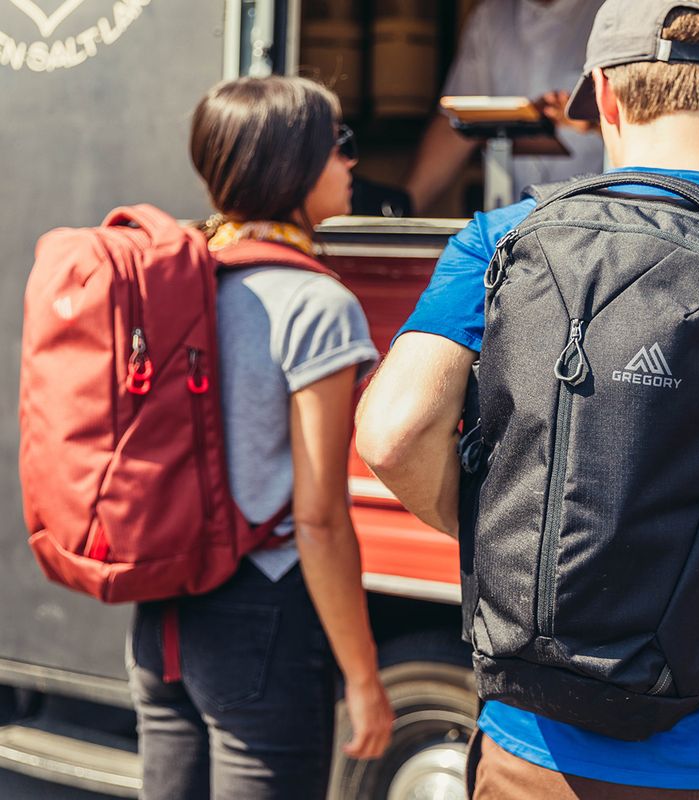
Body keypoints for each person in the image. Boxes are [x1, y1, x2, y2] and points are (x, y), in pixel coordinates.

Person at [357, 0, 699, 797]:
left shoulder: (501, 237)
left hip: (538, 748)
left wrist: (507, 541)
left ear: (603, 98)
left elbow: (392, 433)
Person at [127, 76, 394, 800]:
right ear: (295, 165)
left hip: (162, 618)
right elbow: (318, 517)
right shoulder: (316, 303)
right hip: (262, 618)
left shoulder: (174, 279)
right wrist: (364, 677)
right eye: (337, 145)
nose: (350, 163)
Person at [405, 0, 606, 215]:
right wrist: (401, 208)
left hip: (596, 222)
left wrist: (593, 123)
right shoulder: (491, 16)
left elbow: (640, 122)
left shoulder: (611, 10)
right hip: (512, 222)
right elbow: (457, 123)